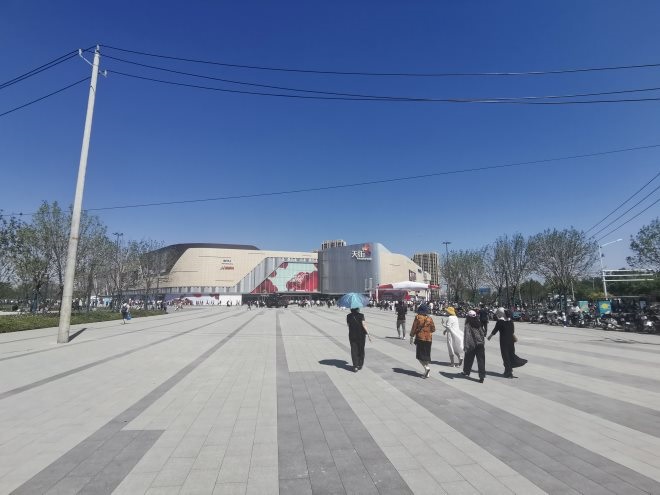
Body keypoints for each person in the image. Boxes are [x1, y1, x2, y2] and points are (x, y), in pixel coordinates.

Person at [488, 308, 527, 378]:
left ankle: (508, 373)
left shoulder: (500, 321)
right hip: (511, 341)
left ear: (500, 313)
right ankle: (509, 371)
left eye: (498, 313)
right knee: (510, 354)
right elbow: (512, 331)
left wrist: (490, 336)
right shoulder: (510, 320)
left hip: (504, 341)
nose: (497, 315)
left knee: (505, 356)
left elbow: (495, 330)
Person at [409, 304, 436, 378]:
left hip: (420, 338)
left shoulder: (418, 317)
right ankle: (427, 373)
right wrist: (427, 331)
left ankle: (426, 368)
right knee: (426, 356)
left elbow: (414, 327)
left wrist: (411, 336)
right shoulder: (429, 318)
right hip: (429, 339)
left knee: (419, 356)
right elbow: (433, 329)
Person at [462, 310, 487, 383]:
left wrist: (466, 346)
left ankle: (466, 372)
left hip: (471, 345)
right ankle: (482, 377)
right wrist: (482, 342)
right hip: (480, 345)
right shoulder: (478, 323)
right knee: (481, 361)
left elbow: (466, 336)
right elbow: (482, 334)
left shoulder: (468, 324)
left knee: (468, 359)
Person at [346, 307, 371, 372]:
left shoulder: (348, 316)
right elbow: (364, 325)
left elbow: (348, 325)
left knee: (354, 350)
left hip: (352, 335)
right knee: (361, 349)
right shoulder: (361, 315)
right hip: (361, 335)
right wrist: (368, 334)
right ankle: (360, 364)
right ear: (357, 309)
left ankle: (355, 366)